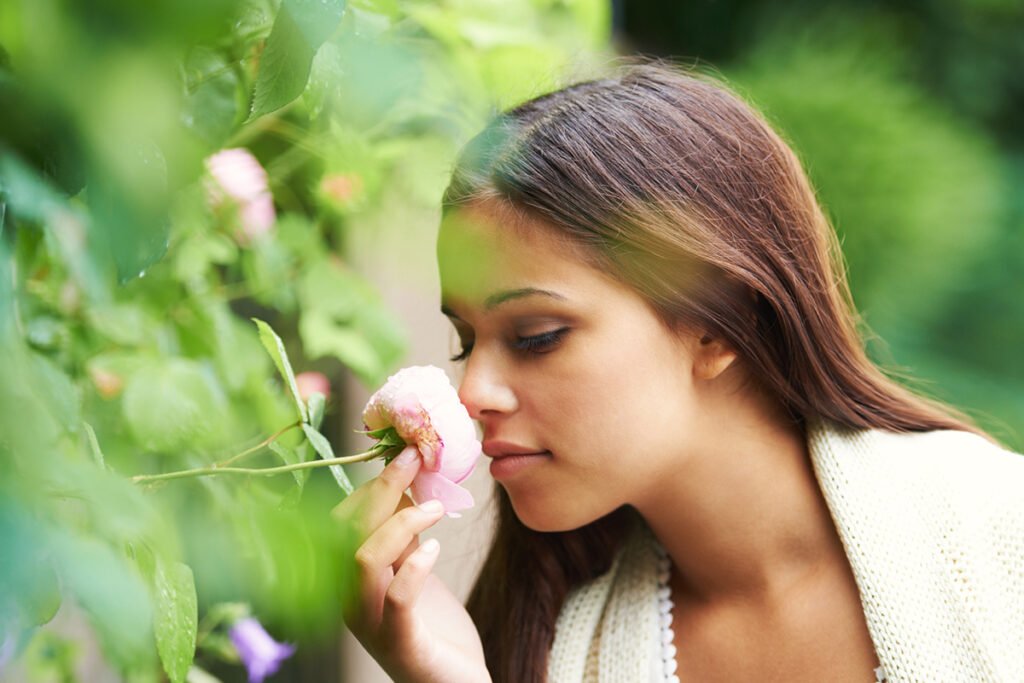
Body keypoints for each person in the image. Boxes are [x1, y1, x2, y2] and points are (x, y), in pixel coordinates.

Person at [335, 61, 1024, 683]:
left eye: (536, 336)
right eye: (465, 341)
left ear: (720, 322)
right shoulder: (536, 641)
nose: (473, 393)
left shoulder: (996, 537)